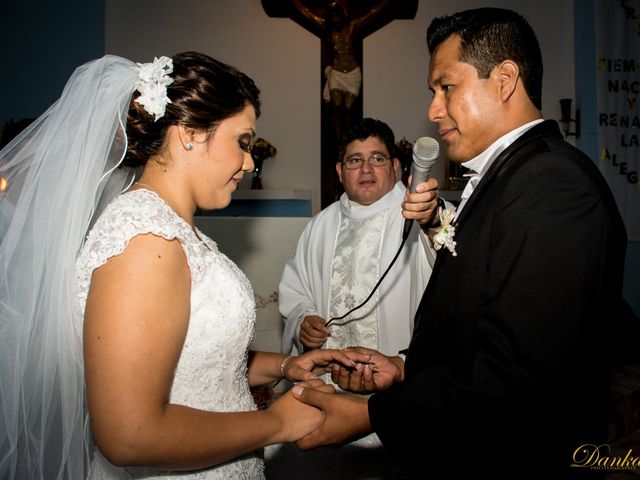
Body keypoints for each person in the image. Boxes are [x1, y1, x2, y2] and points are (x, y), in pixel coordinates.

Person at [291, 8, 632, 479]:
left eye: (445, 86)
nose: (432, 110)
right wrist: (406, 367)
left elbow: (521, 380)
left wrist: (371, 415)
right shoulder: (515, 176)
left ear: (505, 79)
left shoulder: (552, 185)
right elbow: (482, 317)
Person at [0, 52, 370, 480]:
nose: (249, 163)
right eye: (243, 142)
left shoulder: (174, 230)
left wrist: (286, 366)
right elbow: (129, 435)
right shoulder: (145, 240)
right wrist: (279, 423)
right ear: (189, 134)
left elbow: (195, 360)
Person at [268, 117, 439, 479]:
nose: (365, 169)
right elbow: (295, 289)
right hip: (330, 389)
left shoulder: (420, 216)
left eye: (377, 159)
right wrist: (304, 321)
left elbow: (454, 271)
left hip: (401, 391)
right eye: (354, 160)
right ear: (339, 171)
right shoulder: (321, 225)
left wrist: (433, 219)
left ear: (395, 166)